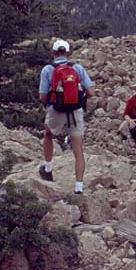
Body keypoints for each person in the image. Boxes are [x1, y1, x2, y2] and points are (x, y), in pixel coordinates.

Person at [38, 39, 95, 194]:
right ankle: (78, 187)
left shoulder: (48, 70)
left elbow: (43, 96)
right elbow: (91, 92)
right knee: (78, 148)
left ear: (53, 53)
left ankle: (48, 168)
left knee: (48, 133)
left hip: (56, 109)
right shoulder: (77, 68)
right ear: (68, 52)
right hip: (75, 110)